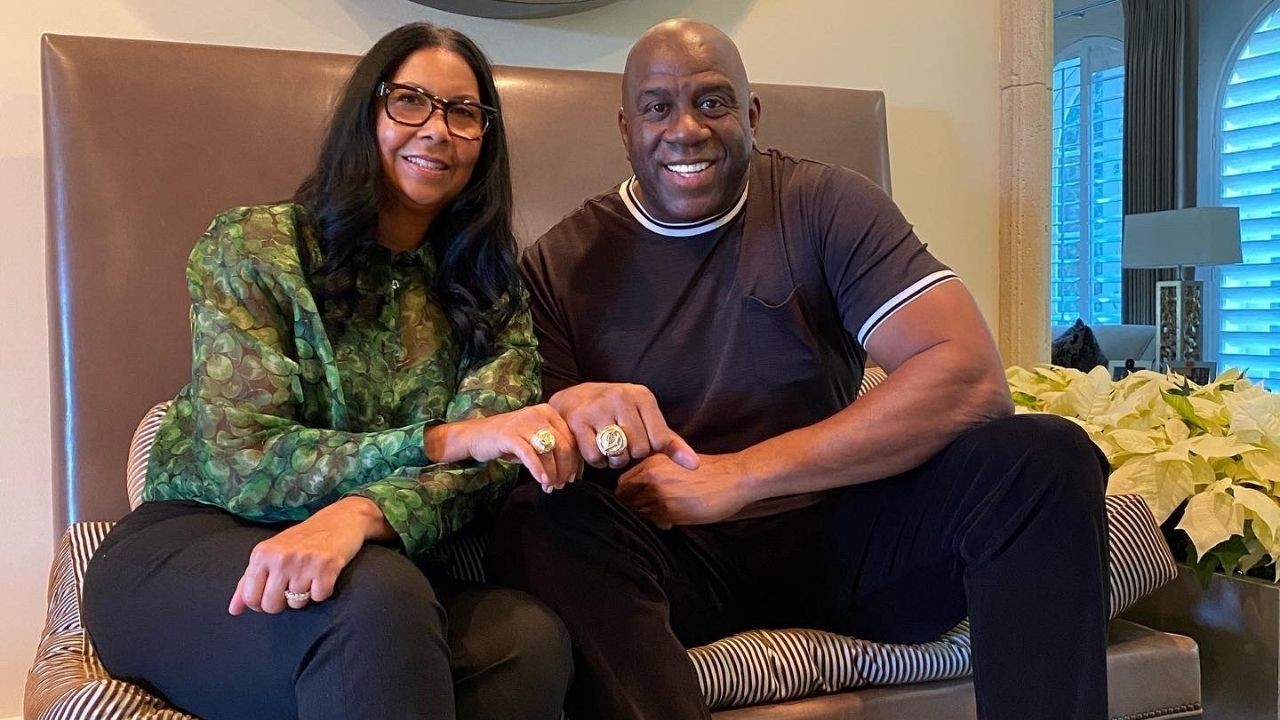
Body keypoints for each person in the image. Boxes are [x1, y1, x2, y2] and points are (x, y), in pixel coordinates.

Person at [490, 18, 1111, 720]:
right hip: (672, 565)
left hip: (841, 540)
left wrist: (739, 476)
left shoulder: (824, 204)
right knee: (536, 516)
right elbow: (538, 450)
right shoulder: (560, 263)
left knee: (1044, 457)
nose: (686, 129)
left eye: (713, 102)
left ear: (752, 116)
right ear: (626, 129)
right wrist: (578, 420)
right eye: (658, 108)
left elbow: (968, 379)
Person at [83, 22, 575, 720]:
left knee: (529, 641)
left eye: (464, 112)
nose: (438, 129)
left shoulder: (491, 289)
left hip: (375, 556)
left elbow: (493, 464)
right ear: (365, 114)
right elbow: (243, 458)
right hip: (196, 542)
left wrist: (362, 513)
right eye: (410, 101)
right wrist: (440, 439)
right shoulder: (257, 246)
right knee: (377, 600)